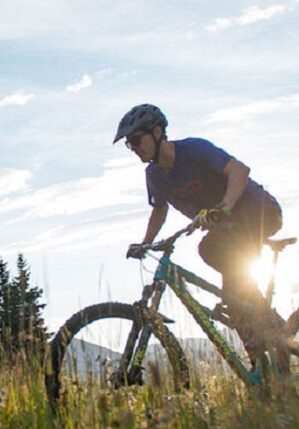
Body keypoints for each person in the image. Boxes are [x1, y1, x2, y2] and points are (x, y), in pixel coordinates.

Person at [115, 103, 282, 346]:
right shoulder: (155, 175)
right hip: (228, 231)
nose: (134, 148)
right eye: (129, 144)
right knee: (235, 304)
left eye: (136, 140)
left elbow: (239, 170)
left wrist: (224, 207)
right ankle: (264, 372)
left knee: (212, 249)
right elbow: (159, 209)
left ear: (157, 132)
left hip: (261, 211)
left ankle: (269, 322)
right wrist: (145, 244)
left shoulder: (194, 149)